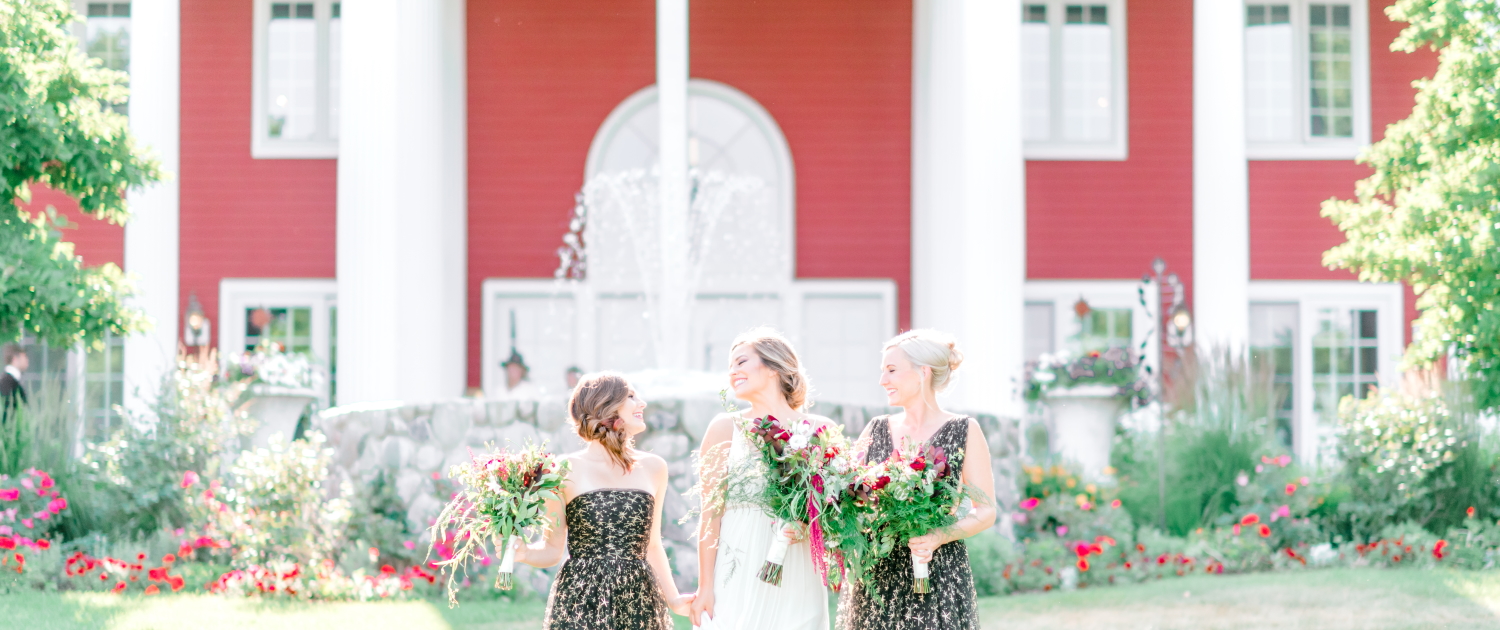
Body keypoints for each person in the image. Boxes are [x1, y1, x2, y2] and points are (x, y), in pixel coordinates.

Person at [837, 329, 996, 630]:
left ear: (923, 372)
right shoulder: (875, 429)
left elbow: (986, 511)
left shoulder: (964, 430)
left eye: (891, 370)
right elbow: (849, 494)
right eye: (882, 371)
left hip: (937, 570)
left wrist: (939, 536)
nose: (883, 380)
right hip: (877, 572)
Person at [514, 371, 694, 630]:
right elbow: (553, 549)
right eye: (631, 396)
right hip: (581, 602)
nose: (642, 403)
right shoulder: (563, 469)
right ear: (606, 404)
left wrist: (674, 599)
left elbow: (652, 546)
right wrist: (523, 552)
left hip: (637, 601)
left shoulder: (655, 467)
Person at [692, 327, 835, 630]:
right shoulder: (724, 427)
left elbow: (836, 507)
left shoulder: (821, 429)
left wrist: (809, 523)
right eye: (729, 366)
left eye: (741, 362)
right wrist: (705, 586)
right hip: (738, 566)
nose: (732, 372)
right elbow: (710, 513)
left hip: (798, 568)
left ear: (772, 368)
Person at [1, 343, 28, 422]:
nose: (27, 360)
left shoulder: (8, 380)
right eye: (24, 356)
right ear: (15, 358)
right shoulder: (8, 382)